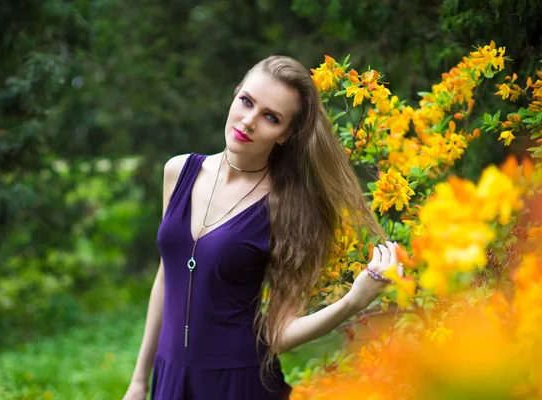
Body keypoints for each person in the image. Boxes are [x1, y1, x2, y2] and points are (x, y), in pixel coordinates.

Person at [123, 55, 401, 400]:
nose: (249, 121)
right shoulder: (178, 172)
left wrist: (352, 302)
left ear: (286, 134)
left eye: (271, 117)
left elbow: (278, 334)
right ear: (236, 93)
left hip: (237, 383)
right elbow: (167, 278)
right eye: (247, 101)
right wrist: (138, 380)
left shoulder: (287, 207)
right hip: (169, 377)